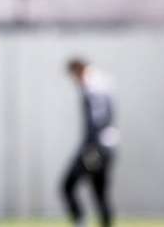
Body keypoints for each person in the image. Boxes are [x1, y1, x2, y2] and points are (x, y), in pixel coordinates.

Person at [61, 58, 119, 227]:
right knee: (100, 192)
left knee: (68, 185)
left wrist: (90, 148)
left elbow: (98, 120)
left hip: (96, 147)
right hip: (107, 145)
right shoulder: (103, 82)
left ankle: (80, 222)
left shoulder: (92, 87)